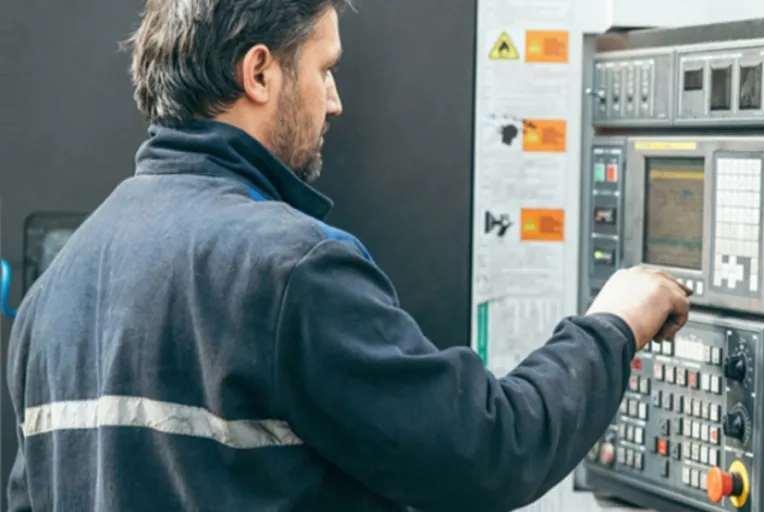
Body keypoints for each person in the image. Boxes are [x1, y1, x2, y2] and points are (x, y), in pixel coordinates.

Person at [5, 1, 692, 510]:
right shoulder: (288, 269)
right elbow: (488, 453)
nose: (335, 101)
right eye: (325, 69)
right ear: (260, 74)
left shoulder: (54, 289)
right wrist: (612, 327)